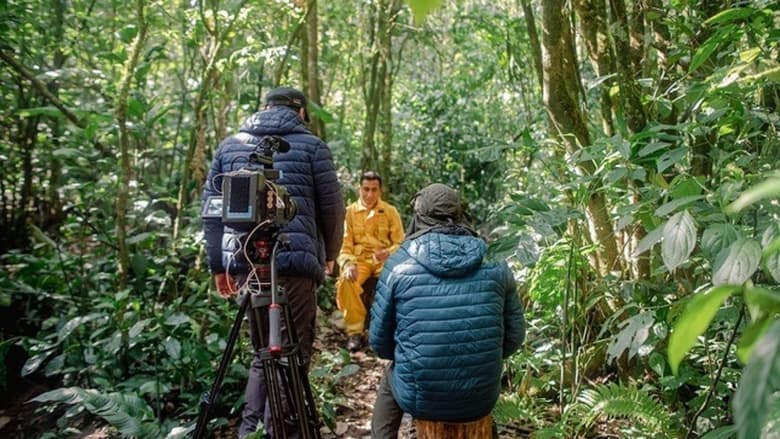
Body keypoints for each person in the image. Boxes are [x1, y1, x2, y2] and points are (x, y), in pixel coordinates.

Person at [201, 86, 345, 438]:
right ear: (300, 113)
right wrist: (329, 256)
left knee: (261, 353)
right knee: (290, 357)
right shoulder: (312, 146)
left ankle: (250, 431)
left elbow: (211, 211)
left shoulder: (230, 143)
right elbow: (333, 208)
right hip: (294, 265)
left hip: (247, 262)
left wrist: (219, 265)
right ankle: (281, 433)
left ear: (265, 107)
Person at [368, 183, 526, 437]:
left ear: (420, 217)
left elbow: (379, 343)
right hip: (480, 396)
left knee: (390, 380)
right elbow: (515, 337)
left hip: (421, 396)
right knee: (479, 394)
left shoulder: (398, 264)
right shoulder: (495, 261)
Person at [336, 171, 404, 351]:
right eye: (366, 189)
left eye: (374, 190)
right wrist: (348, 263)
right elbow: (343, 246)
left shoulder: (390, 211)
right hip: (360, 261)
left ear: (380, 191)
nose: (369, 194)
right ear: (360, 189)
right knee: (346, 281)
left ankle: (385, 331)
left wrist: (389, 252)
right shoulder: (349, 213)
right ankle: (355, 332)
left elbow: (400, 242)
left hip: (384, 262)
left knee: (395, 283)